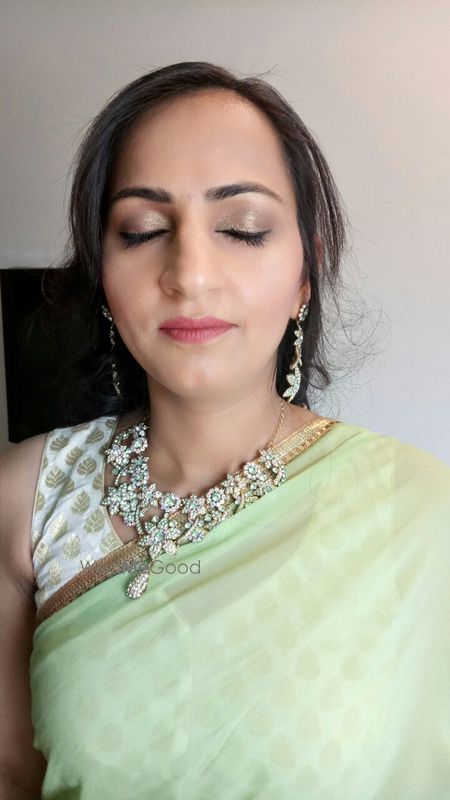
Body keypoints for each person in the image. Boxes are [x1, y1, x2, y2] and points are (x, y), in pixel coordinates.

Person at [0, 61, 449, 800]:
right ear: (103, 274)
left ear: (305, 273)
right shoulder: (29, 502)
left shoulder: (422, 510)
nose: (191, 274)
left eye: (242, 229)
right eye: (143, 231)